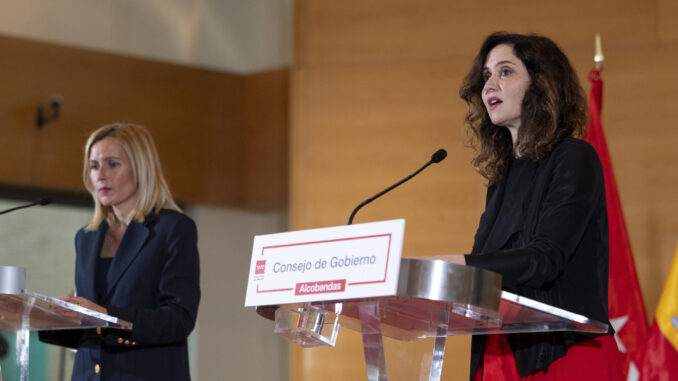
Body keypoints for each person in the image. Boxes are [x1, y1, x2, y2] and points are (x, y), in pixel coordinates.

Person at [438, 32, 622, 379]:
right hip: (500, 352)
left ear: (541, 84)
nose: (490, 84)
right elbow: (493, 273)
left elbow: (544, 259)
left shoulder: (575, 158)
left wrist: (459, 265)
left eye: (505, 72)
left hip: (564, 356)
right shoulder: (501, 181)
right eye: (486, 76)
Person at [40, 123, 200, 380]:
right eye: (94, 166)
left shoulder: (173, 229)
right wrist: (55, 315)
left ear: (140, 168)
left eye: (112, 164)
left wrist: (104, 315)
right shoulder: (86, 238)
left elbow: (178, 320)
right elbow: (88, 326)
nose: (100, 175)